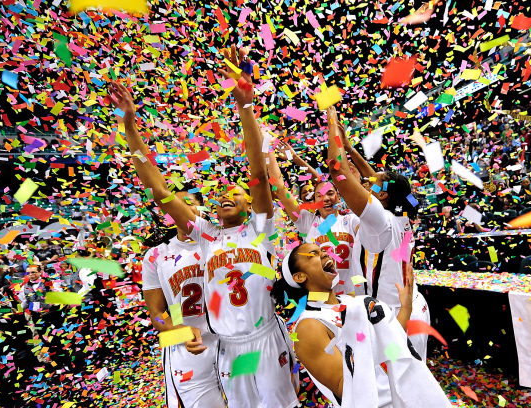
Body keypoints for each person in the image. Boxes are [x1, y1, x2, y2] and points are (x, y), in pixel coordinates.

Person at [108, 43, 299, 408]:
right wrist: (129, 125)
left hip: (267, 337)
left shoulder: (260, 228)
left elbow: (258, 173)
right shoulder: (206, 234)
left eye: (237, 193)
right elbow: (159, 188)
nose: (227, 195)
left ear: (250, 205)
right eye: (223, 193)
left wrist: (244, 104)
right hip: (227, 347)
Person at [270, 243, 451, 408]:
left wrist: (406, 308)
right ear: (300, 276)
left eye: (323, 250)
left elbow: (390, 346)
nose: (325, 254)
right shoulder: (309, 327)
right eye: (313, 254)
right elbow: (346, 388)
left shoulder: (352, 302)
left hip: (402, 397)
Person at [326, 106, 430, 361]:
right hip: (410, 305)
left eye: (371, 183)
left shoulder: (379, 221)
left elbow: (338, 172)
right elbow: (374, 177)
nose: (365, 181)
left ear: (382, 194)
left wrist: (332, 126)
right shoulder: (400, 213)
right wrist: (350, 149)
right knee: (409, 381)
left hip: (392, 316)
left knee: (389, 389)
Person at [142, 185, 225, 408]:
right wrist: (178, 331)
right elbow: (157, 315)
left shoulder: (223, 242)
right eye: (172, 204)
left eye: (187, 202)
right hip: (185, 349)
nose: (178, 209)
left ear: (202, 209)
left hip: (232, 342)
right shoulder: (156, 255)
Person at [267, 130, 361, 296]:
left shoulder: (351, 220)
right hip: (321, 299)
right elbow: (280, 189)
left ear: (338, 196)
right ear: (314, 201)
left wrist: (296, 159)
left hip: (353, 297)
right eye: (319, 196)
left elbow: (323, 181)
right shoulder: (307, 222)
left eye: (330, 194)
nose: (325, 198)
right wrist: (268, 151)